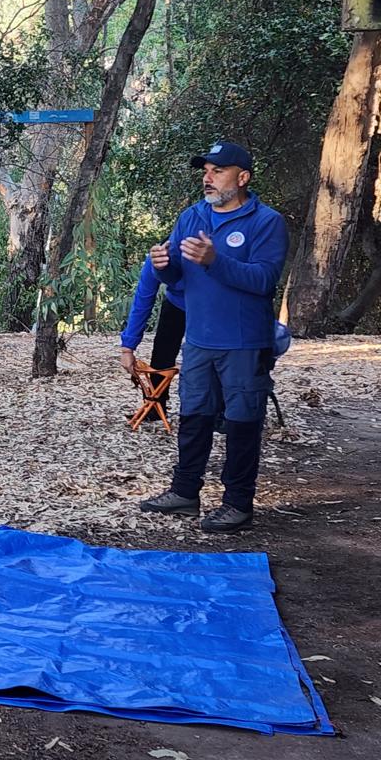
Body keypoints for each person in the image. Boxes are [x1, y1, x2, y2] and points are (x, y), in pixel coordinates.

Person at [140, 142, 288, 533]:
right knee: (194, 416)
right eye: (206, 170)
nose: (208, 178)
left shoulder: (266, 222)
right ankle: (184, 492)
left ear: (242, 178)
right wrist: (163, 269)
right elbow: (179, 281)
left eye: (218, 171)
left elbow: (263, 280)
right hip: (200, 340)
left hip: (243, 342)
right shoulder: (191, 217)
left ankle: (238, 503)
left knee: (241, 421)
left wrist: (215, 261)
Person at [118, 256, 187, 424]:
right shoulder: (156, 258)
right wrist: (128, 348)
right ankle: (155, 406)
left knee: (210, 356)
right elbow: (142, 301)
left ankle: (220, 412)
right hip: (177, 302)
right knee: (161, 355)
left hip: (213, 304)